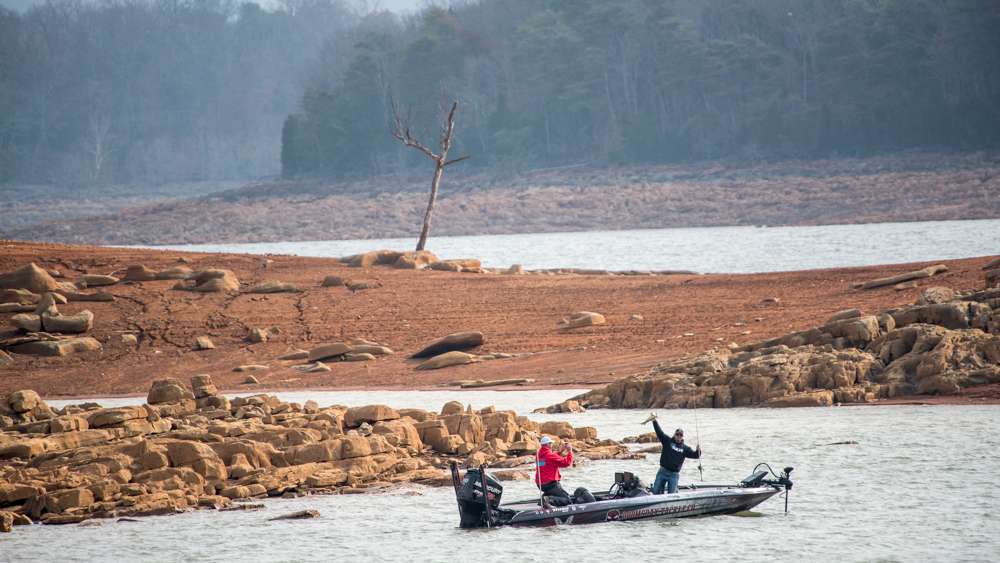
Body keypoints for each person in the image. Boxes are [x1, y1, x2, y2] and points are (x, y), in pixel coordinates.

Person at [645, 413, 701, 494]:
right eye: (677, 434)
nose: (678, 436)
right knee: (656, 491)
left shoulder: (685, 448)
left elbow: (696, 455)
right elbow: (659, 432)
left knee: (672, 494)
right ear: (674, 435)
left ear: (682, 437)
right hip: (662, 471)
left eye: (680, 435)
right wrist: (654, 421)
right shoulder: (667, 441)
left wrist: (698, 450)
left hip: (674, 475)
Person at [534, 435, 574, 505]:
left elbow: (550, 460)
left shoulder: (538, 455)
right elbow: (566, 463)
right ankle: (548, 499)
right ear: (548, 444)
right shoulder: (550, 455)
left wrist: (560, 451)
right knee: (567, 500)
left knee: (555, 493)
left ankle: (545, 499)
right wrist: (570, 451)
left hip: (541, 485)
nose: (552, 445)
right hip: (551, 484)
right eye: (551, 443)